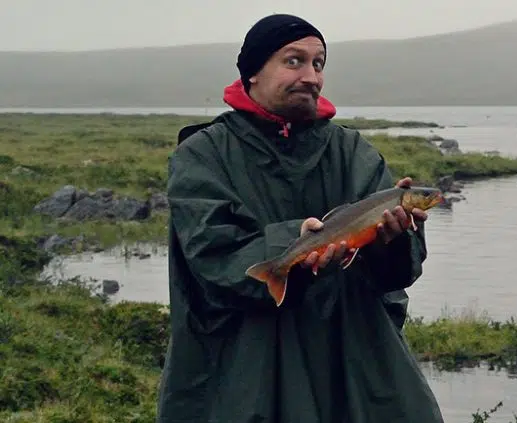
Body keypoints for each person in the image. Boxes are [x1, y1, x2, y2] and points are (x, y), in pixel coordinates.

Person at [157, 14, 444, 423]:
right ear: (253, 72)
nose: (311, 76)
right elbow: (213, 256)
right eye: (294, 61)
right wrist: (296, 243)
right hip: (246, 371)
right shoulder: (203, 155)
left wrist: (395, 241)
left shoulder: (352, 151)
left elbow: (396, 274)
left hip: (356, 367)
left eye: (318, 63)